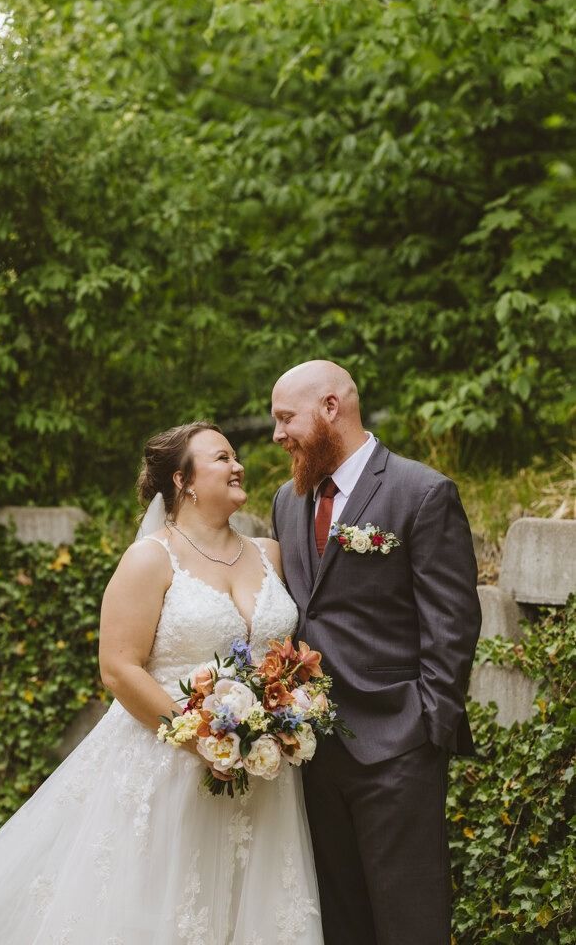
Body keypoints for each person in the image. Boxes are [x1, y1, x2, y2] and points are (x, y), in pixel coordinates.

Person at [0, 422, 324, 945]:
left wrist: (287, 707)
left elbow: (285, 652)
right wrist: (203, 739)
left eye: (234, 456)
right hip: (173, 764)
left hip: (264, 775)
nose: (238, 465)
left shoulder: (271, 552)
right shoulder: (151, 557)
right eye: (222, 457)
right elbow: (119, 667)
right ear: (184, 480)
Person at [271, 360, 482, 945]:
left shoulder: (421, 492)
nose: (277, 434)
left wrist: (426, 727)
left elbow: (453, 623)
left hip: (398, 749)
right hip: (313, 755)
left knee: (410, 924)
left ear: (331, 407)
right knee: (341, 926)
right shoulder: (287, 501)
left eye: (286, 418)